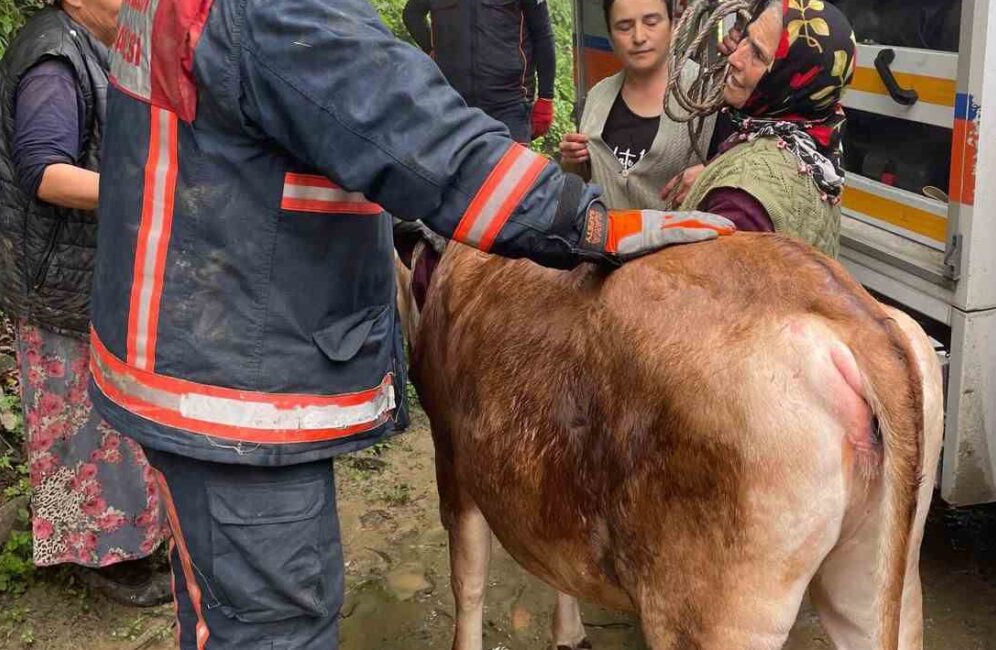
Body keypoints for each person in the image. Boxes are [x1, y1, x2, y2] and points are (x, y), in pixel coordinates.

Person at [89, 0, 733, 647]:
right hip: (227, 382)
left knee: (222, 610)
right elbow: (424, 141)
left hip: (193, 342)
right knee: (273, 626)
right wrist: (590, 223)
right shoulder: (284, 10)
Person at [0, 0, 169, 605]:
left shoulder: (99, 46)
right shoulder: (53, 55)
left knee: (115, 423)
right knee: (82, 431)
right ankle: (102, 560)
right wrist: (151, 189)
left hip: (94, 272)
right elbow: (47, 172)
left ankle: (133, 544)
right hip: (59, 285)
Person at [674, 0, 856, 257]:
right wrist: (712, 173)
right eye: (746, 39)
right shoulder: (815, 138)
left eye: (758, 54)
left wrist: (718, 188)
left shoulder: (740, 205)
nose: (734, 57)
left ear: (792, 79)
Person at [559, 0, 715, 209]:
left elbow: (744, 165)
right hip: (607, 239)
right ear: (611, 36)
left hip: (686, 239)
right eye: (624, 27)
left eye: (651, 22)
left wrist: (712, 174)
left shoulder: (707, 93)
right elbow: (585, 181)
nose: (639, 37)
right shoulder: (597, 97)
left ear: (673, 25)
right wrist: (573, 161)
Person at [402, 0, 556, 143]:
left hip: (510, 105)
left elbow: (542, 35)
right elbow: (412, 14)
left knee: (509, 171)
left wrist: (546, 98)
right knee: (458, 171)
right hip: (454, 105)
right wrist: (435, 51)